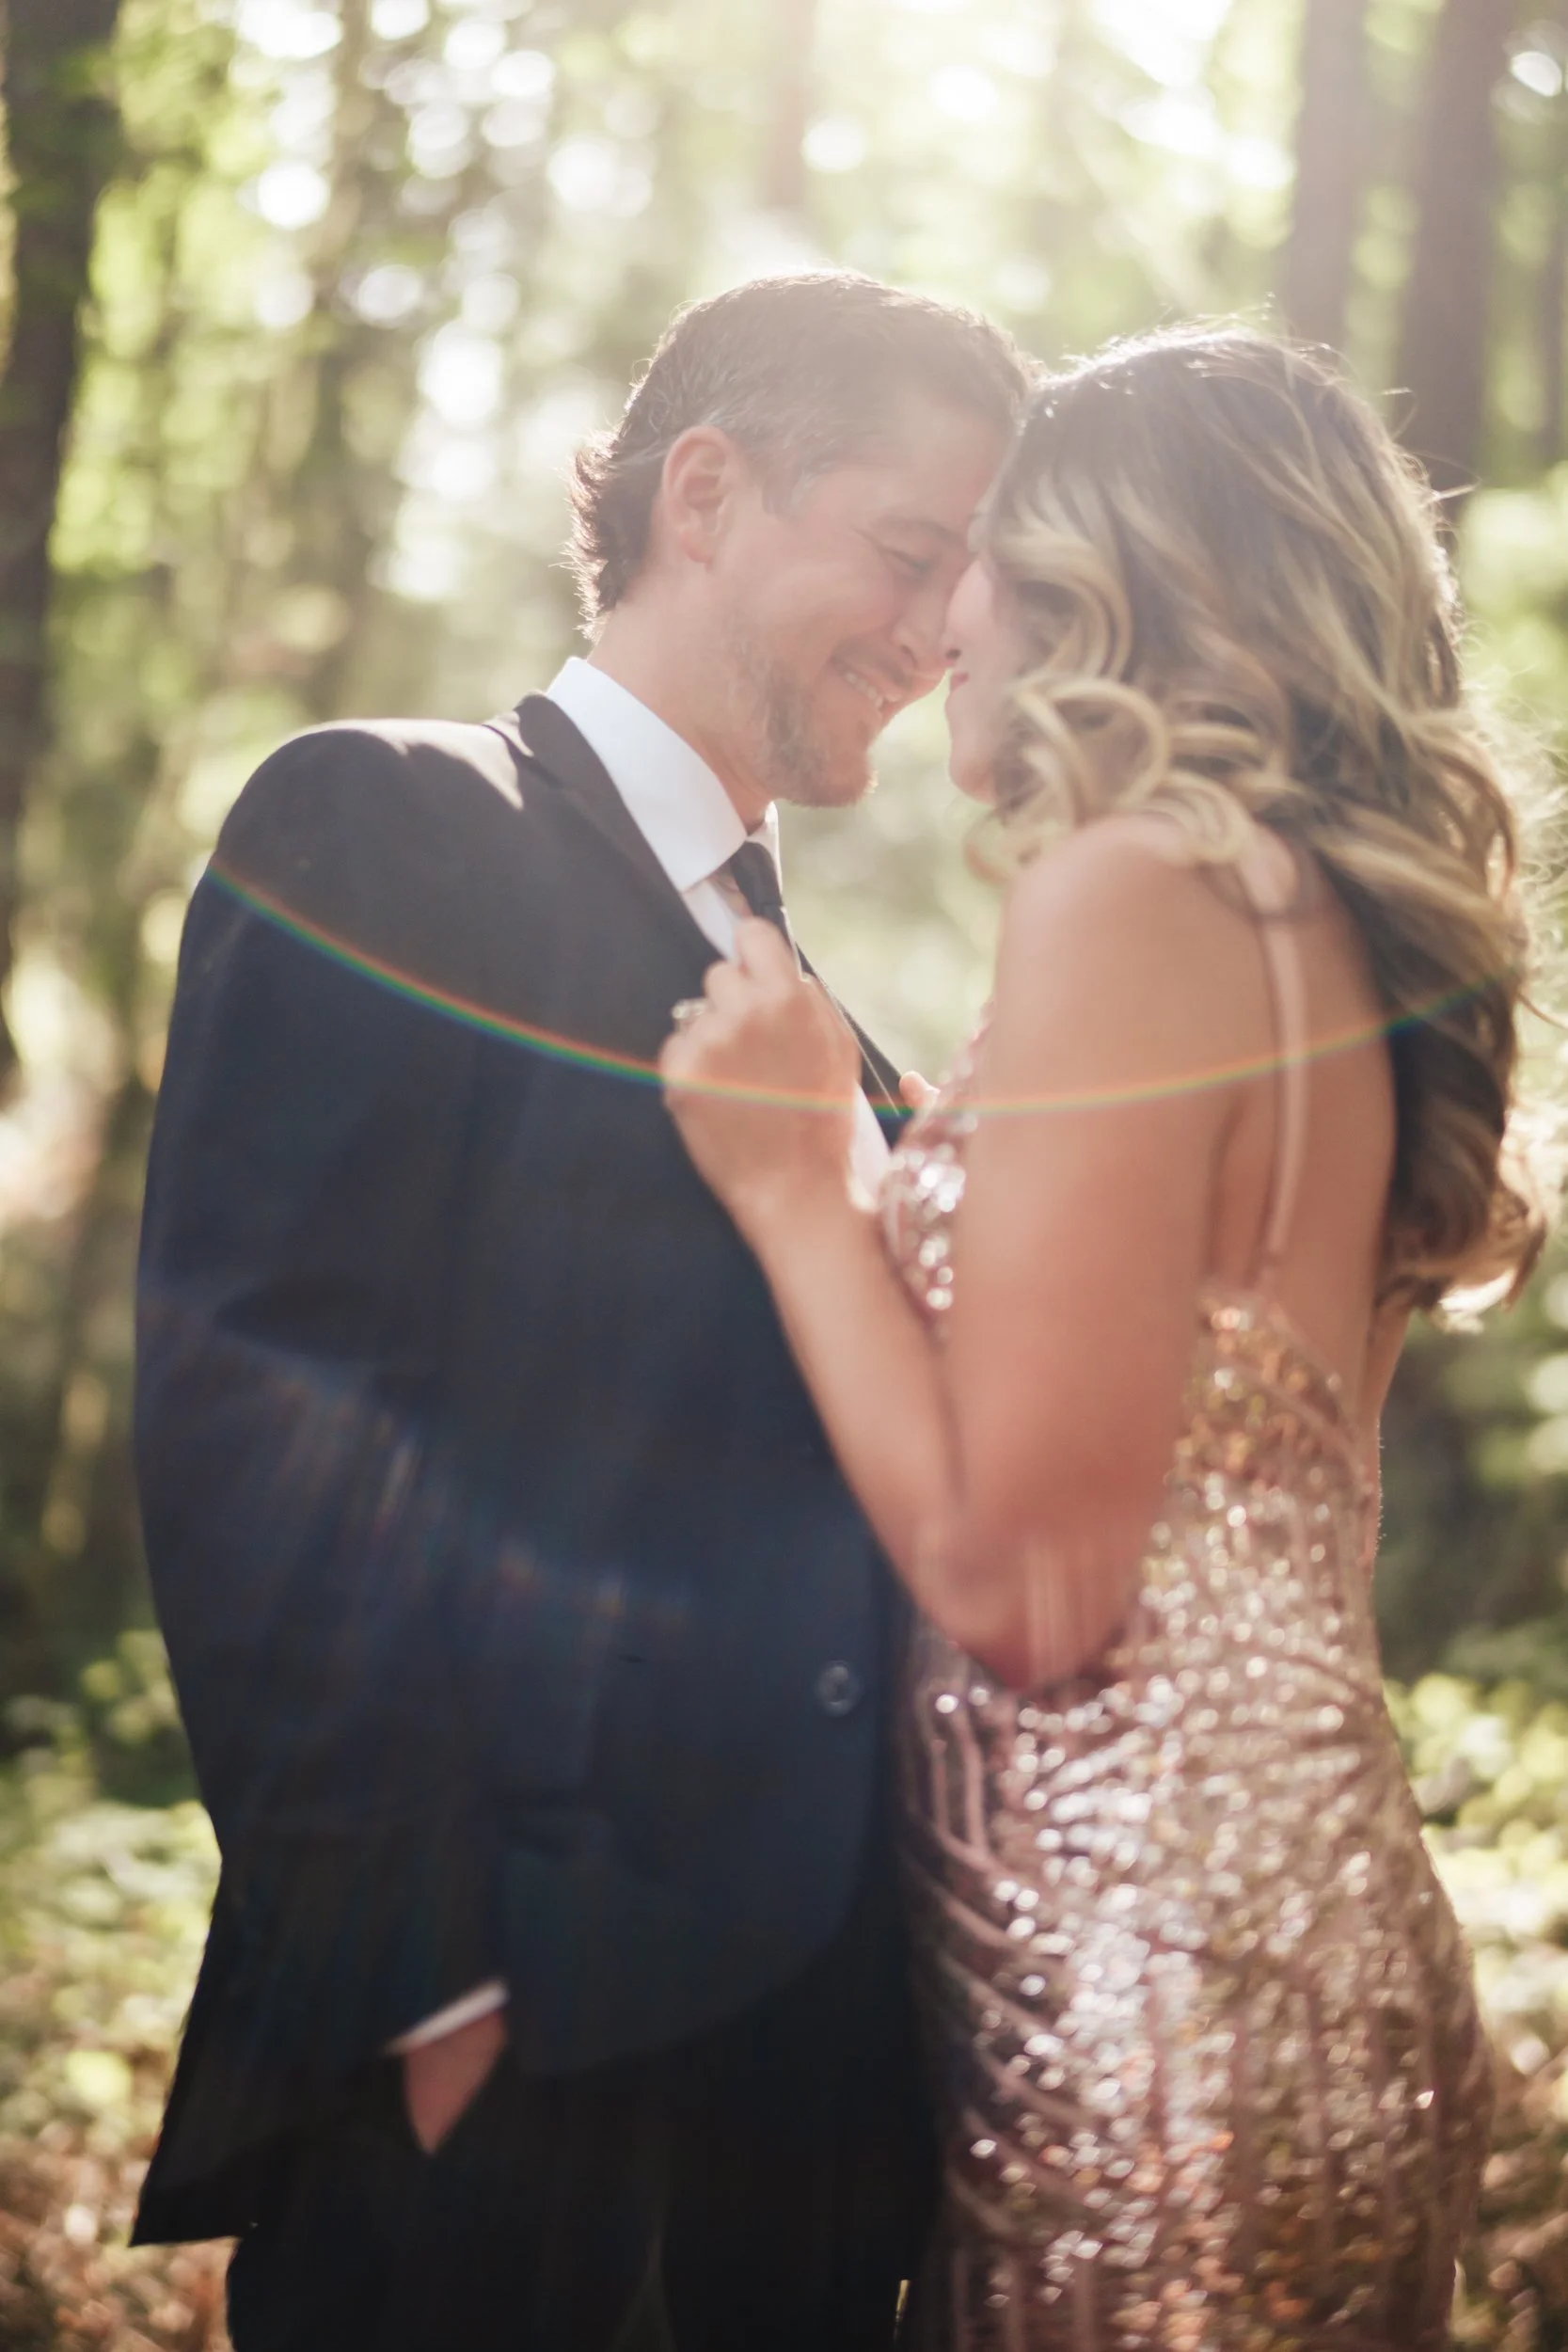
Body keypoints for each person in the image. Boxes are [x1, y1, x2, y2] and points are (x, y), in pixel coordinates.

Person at [130, 272, 1028, 2351]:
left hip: (815, 2142)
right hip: (509, 2110)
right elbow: (251, 1424)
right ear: (701, 492)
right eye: (907, 551)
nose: (938, 629)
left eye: (968, 585)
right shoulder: (387, 822)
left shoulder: (858, 1059)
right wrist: (437, 2003)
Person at [661, 326, 1546, 2349]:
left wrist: (802, 1191)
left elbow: (1029, 1580)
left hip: (1156, 2012)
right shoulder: (1306, 927)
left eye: (976, 553)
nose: (939, 616)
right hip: (1284, 1944)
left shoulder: (1135, 890)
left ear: (1095, 580)